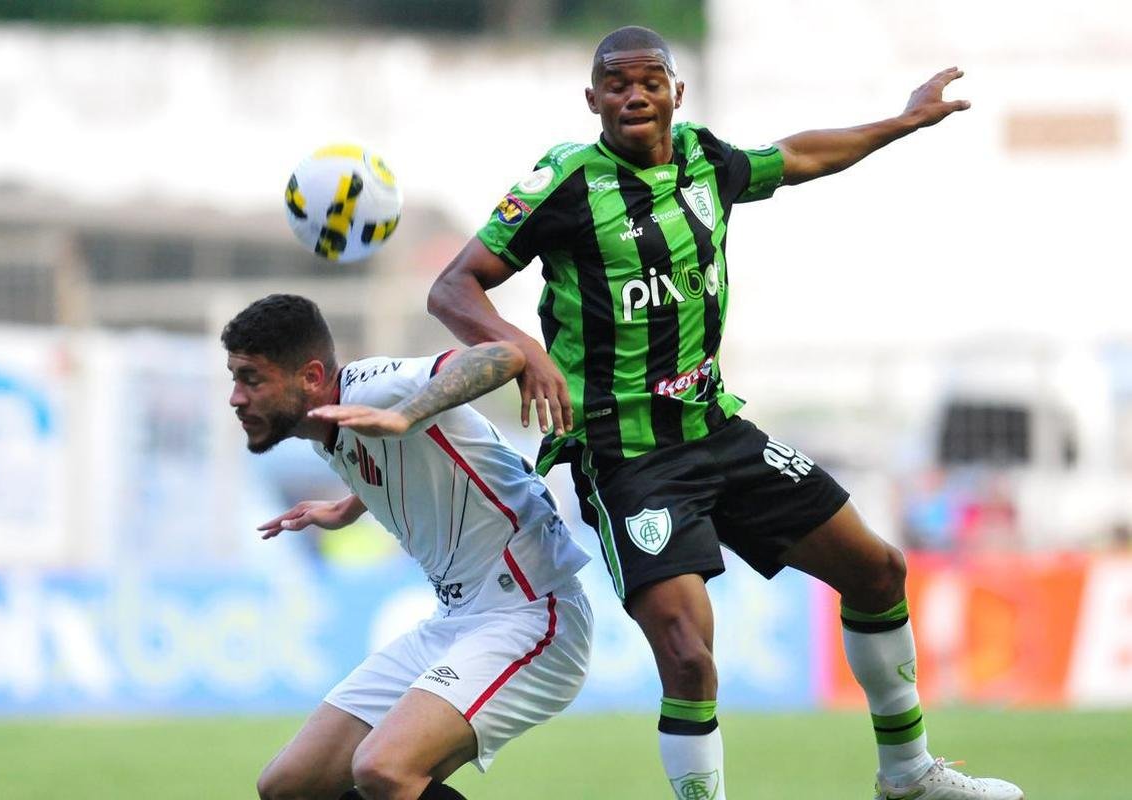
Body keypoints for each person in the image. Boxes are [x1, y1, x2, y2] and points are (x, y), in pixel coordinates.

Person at [427, 24, 1023, 800]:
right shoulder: (563, 182)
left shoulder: (708, 161)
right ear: (592, 100)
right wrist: (522, 350)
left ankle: (908, 777)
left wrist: (898, 122)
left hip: (716, 429)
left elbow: (798, 155)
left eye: (648, 81)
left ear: (677, 91)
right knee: (687, 654)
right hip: (628, 455)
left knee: (877, 571)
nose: (633, 95)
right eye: (615, 84)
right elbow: (452, 286)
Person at [222, 294, 592, 800]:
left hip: (532, 612)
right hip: (456, 622)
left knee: (384, 768)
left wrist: (405, 414)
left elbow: (504, 355)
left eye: (251, 379)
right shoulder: (325, 431)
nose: (236, 398)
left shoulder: (377, 388)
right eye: (235, 378)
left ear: (310, 377)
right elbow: (408, 459)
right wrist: (347, 508)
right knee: (288, 786)